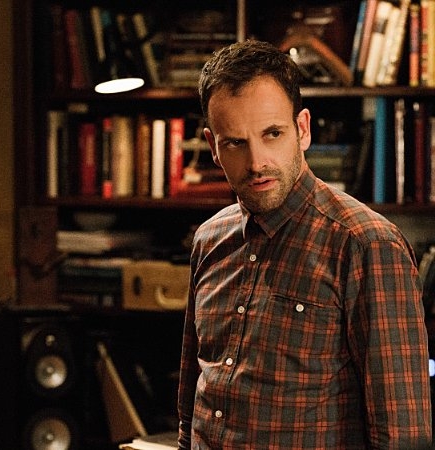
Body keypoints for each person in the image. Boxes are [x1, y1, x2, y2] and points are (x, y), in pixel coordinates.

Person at [177, 39, 432, 449]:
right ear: (213, 147)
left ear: (302, 129)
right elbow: (192, 402)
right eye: (236, 143)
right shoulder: (209, 239)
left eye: (272, 134)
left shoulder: (367, 245)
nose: (257, 162)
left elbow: (403, 435)